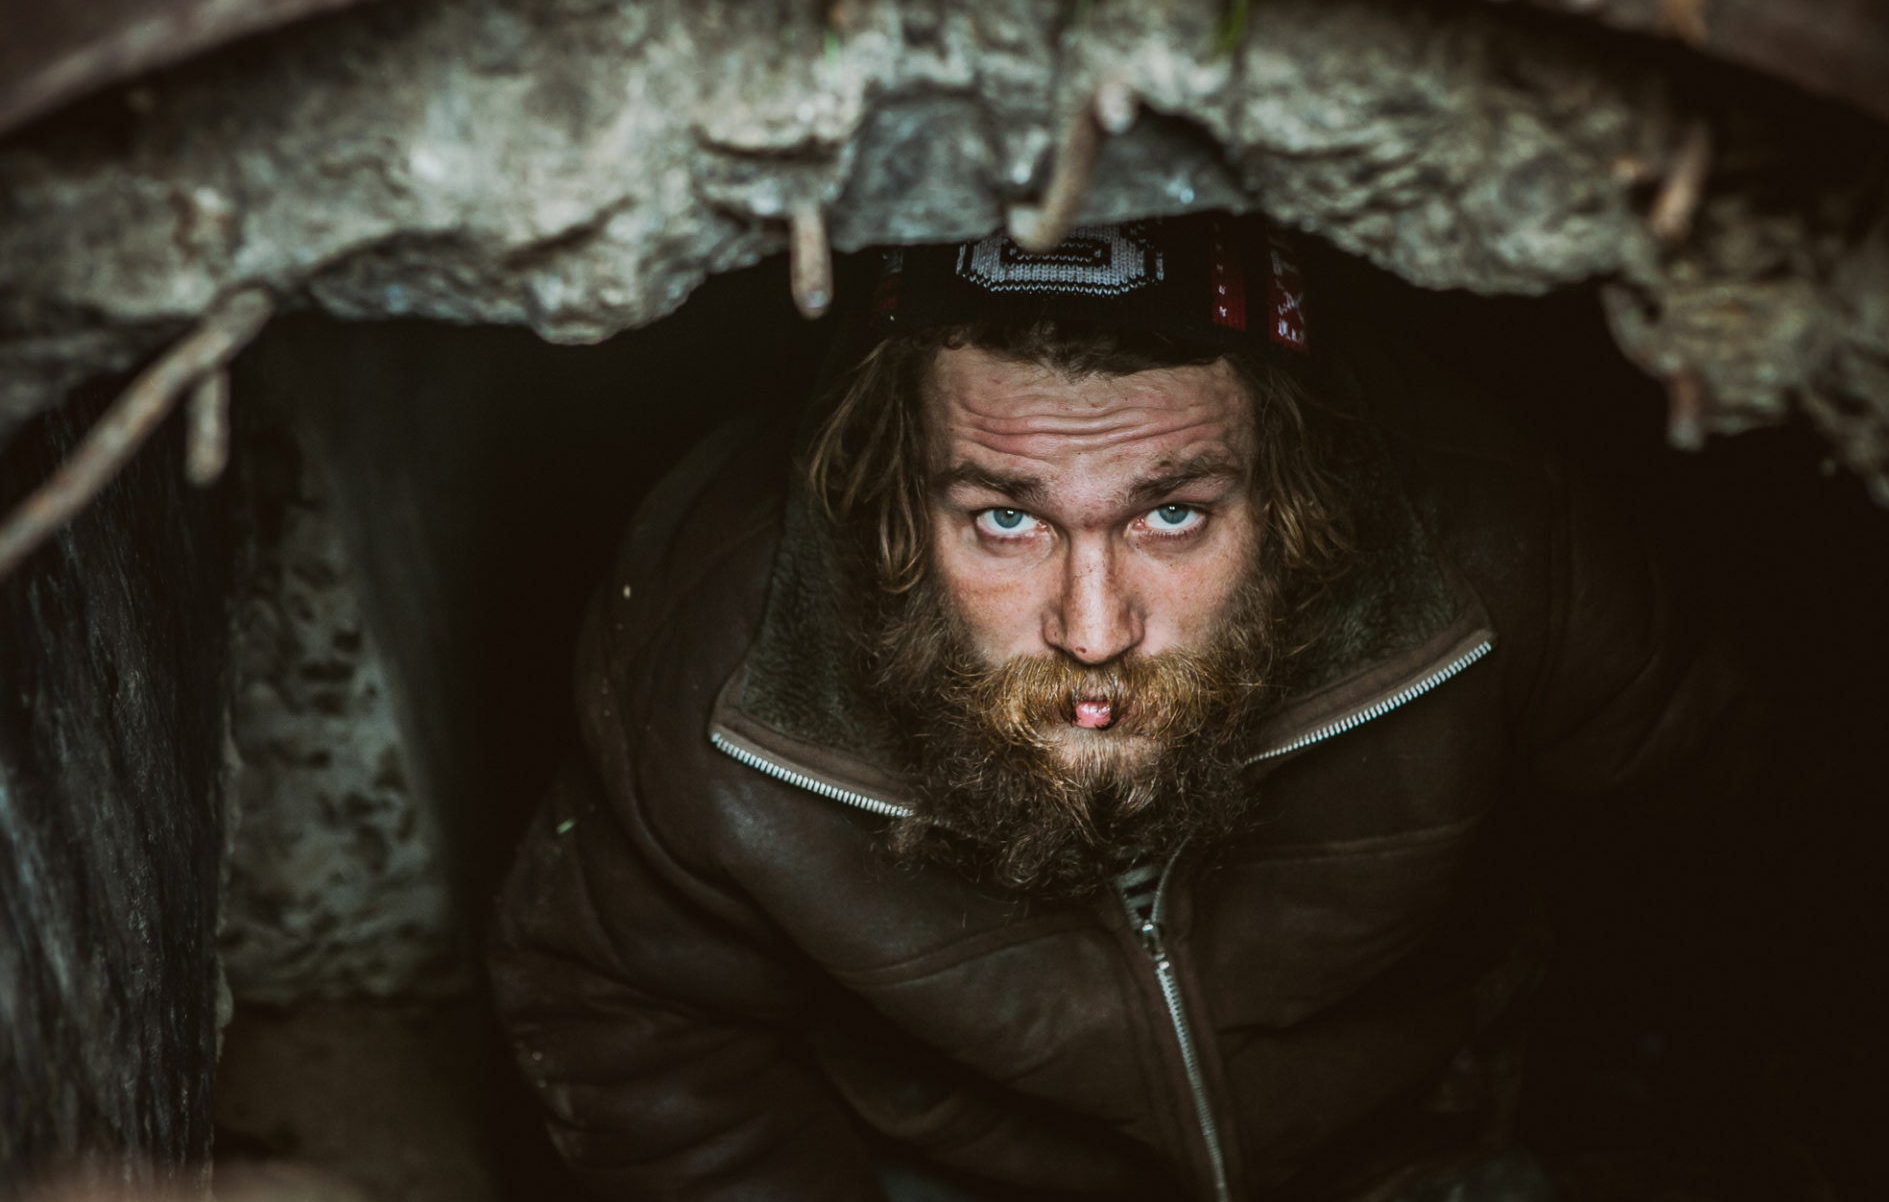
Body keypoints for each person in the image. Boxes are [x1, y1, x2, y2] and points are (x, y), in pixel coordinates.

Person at [489, 214, 1751, 1200]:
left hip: (1418, 1155)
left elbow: (1707, 853)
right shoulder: (720, 661)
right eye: (1006, 518)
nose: (1092, 630)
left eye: (1172, 513)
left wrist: (1601, 1136)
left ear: (1292, 481)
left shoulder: (1498, 552)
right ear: (892, 489)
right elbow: (622, 1023)